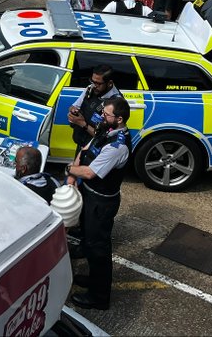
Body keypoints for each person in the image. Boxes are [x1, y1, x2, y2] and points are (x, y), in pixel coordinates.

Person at [65, 95, 132, 311]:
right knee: (87, 239)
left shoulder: (117, 147)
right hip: (88, 194)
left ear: (119, 119)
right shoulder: (105, 130)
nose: (102, 115)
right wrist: (73, 178)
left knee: (98, 249)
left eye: (107, 114)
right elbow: (84, 152)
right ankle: (93, 279)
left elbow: (90, 172)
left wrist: (68, 170)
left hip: (101, 204)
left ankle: (99, 296)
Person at [66, 66, 122, 148]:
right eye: (93, 81)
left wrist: (82, 123)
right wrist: (74, 111)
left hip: (98, 150)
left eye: (98, 83)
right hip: (82, 144)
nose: (94, 85)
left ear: (109, 83)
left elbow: (106, 137)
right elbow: (74, 106)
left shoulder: (116, 103)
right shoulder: (90, 89)